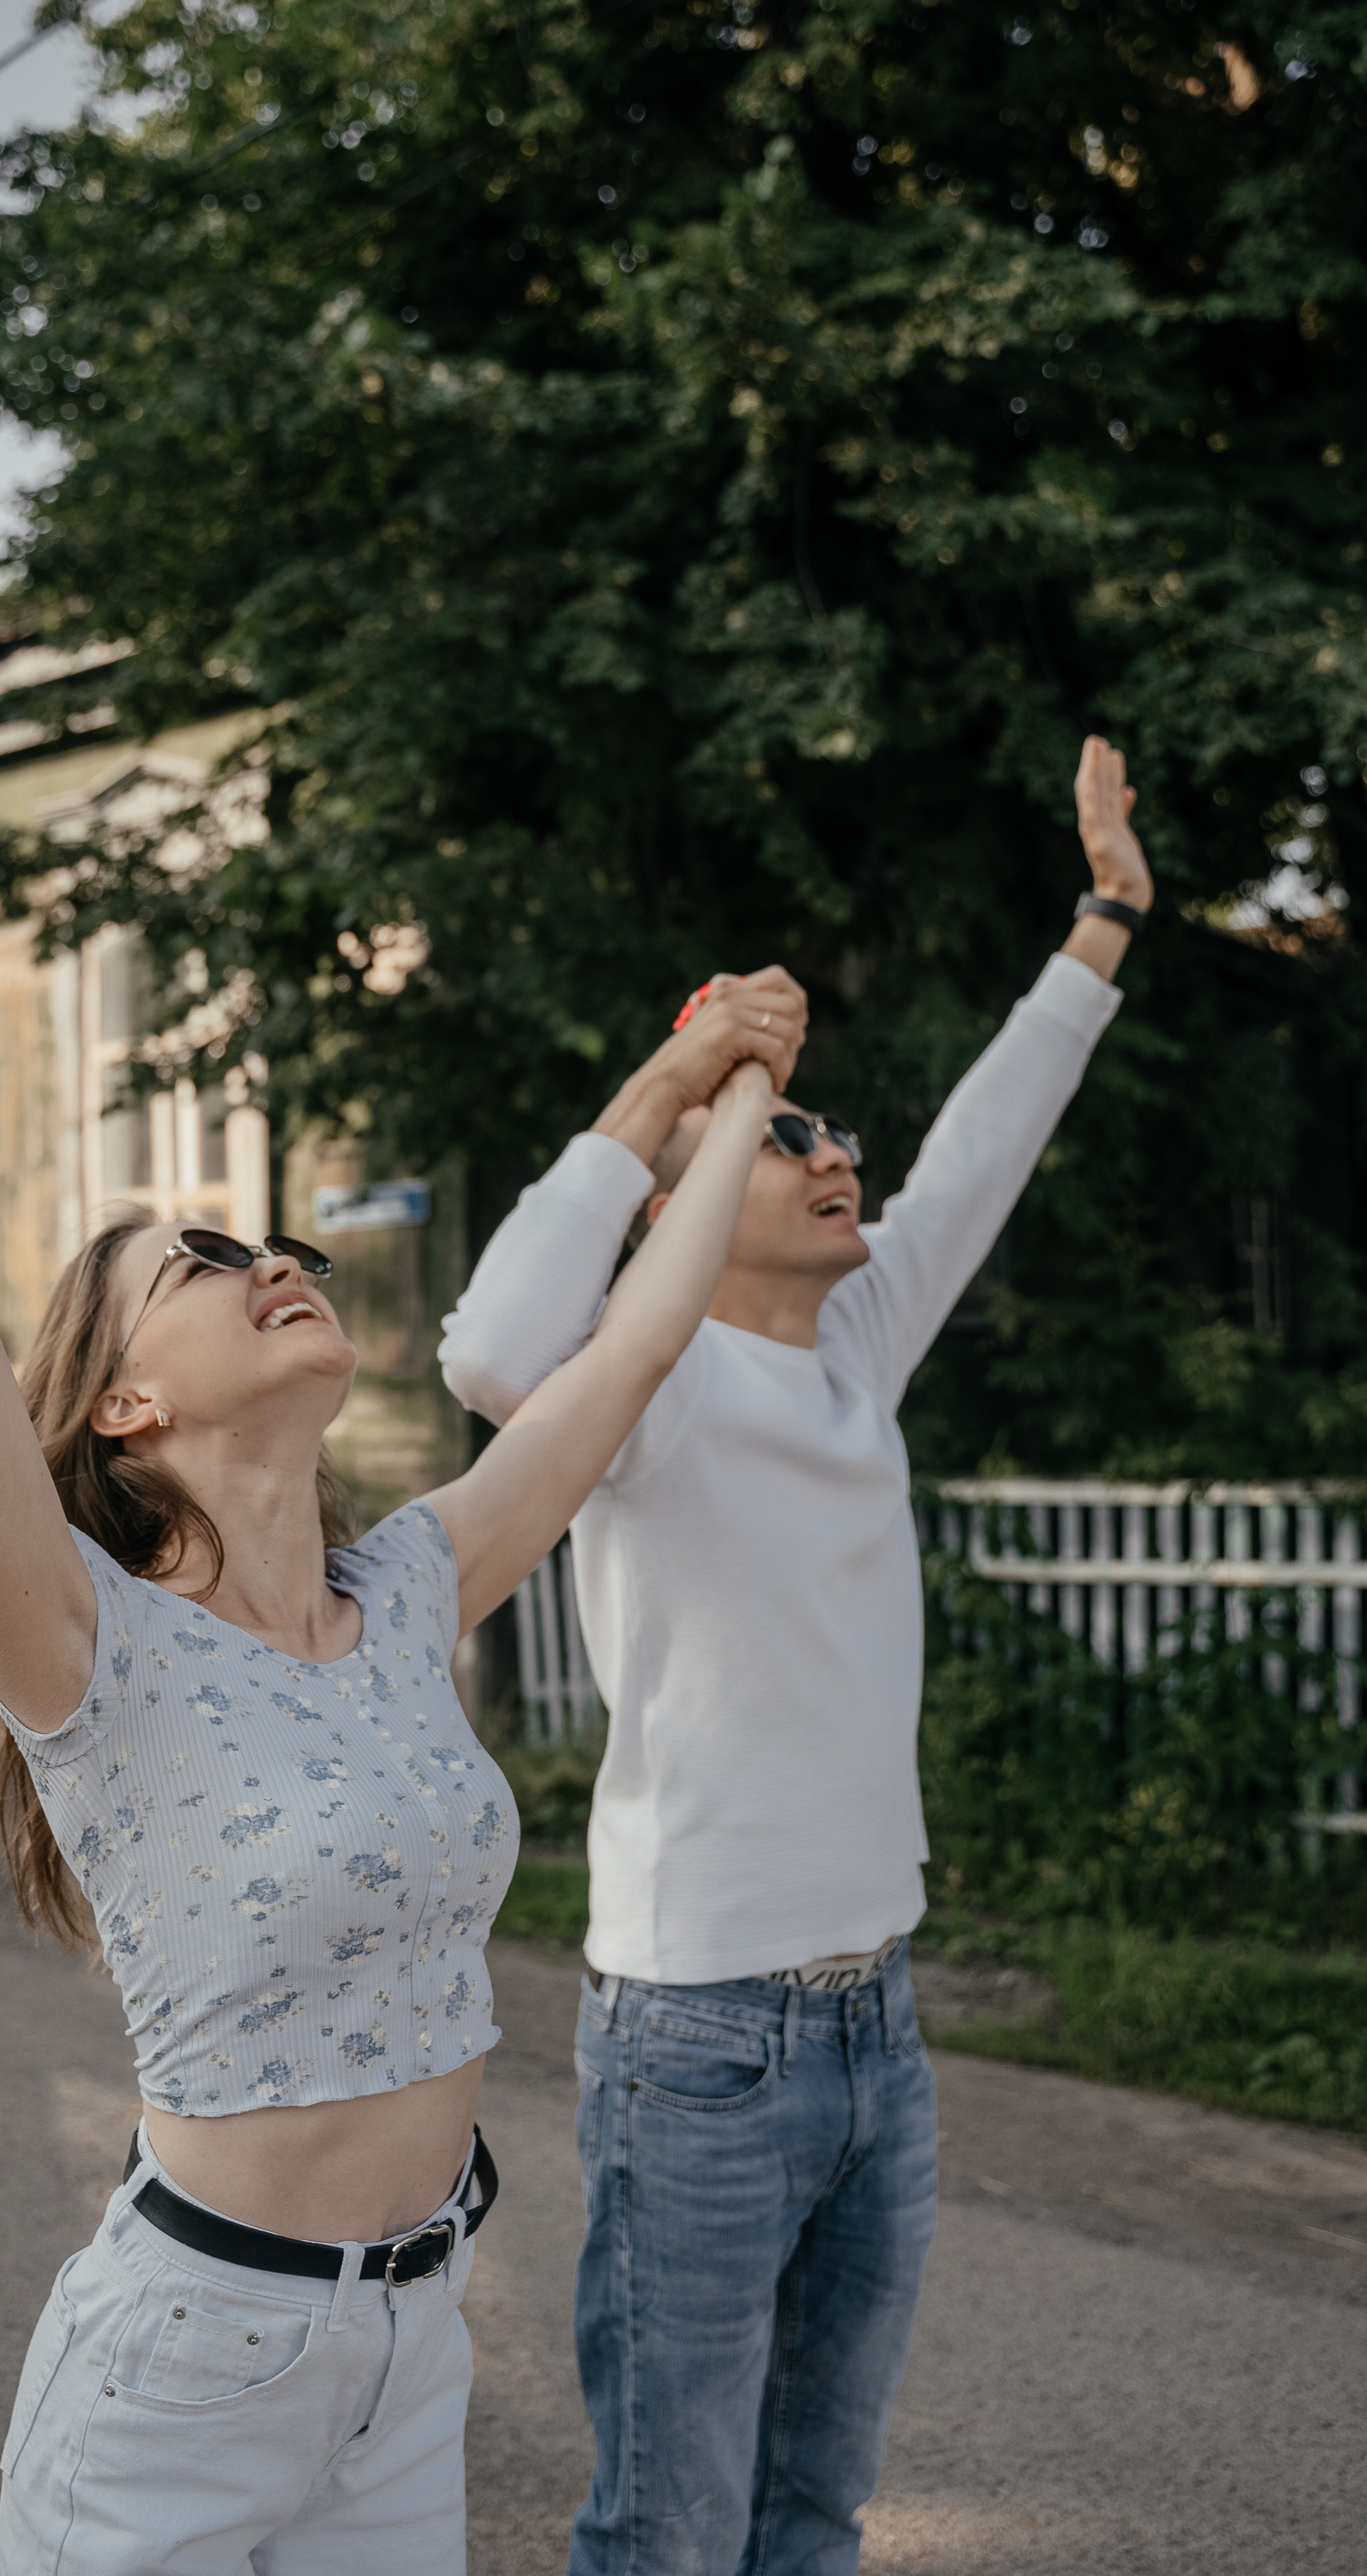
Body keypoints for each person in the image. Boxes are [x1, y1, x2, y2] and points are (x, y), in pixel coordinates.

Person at [0, 747, 805, 2576]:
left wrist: (718, 1083)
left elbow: (630, 1353)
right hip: (182, 2380)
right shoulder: (82, 1647)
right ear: (125, 1403)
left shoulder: (411, 1594)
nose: (270, 1258)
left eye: (275, 1240)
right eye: (204, 1260)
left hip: (412, 2354)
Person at [438, 737, 1154, 2576]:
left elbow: (990, 1141)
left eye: (837, 1132)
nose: (842, 1149)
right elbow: (490, 1347)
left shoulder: (854, 1351)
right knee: (668, 2528)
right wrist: (688, 1068)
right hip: (698, 2038)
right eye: (791, 1136)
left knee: (816, 2516)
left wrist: (1103, 923)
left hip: (875, 2024)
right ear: (673, 1217)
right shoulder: (645, 1385)